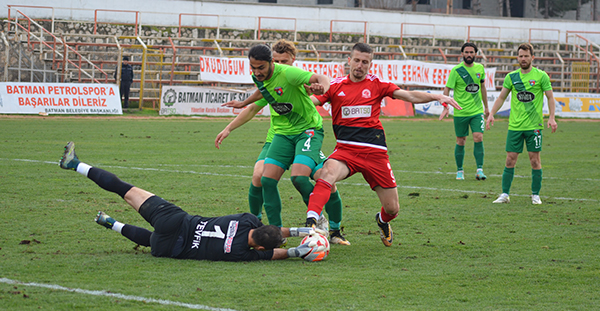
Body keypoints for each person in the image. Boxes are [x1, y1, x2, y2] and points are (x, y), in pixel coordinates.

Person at [304, 43, 461, 247]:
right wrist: (304, 93)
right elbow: (311, 103)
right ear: (349, 60)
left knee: (393, 208)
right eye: (357, 60)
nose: (360, 65)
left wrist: (437, 96)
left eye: (365, 62)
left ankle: (382, 221)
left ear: (370, 64)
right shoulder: (335, 86)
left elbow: (410, 96)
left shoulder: (378, 85)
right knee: (327, 173)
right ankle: (311, 222)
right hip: (346, 150)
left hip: (375, 153)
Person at [58, 141, 324, 261]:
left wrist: (303, 230)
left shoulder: (248, 220)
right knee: (151, 240)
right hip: (171, 248)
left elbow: (273, 235)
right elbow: (278, 253)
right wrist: (297, 252)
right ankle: (112, 224)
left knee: (124, 190)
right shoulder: (243, 254)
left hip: (176, 221)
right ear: (260, 249)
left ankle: (77, 164)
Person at [215, 40, 349, 245]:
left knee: (301, 178)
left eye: (261, 67)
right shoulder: (259, 77)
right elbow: (264, 90)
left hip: (307, 131)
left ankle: (323, 221)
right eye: (253, 67)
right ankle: (275, 234)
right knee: (265, 179)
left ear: (273, 63)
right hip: (283, 135)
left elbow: (320, 77)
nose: (257, 72)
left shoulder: (289, 73)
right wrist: (242, 105)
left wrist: (323, 87)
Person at [486, 43, 557, 205]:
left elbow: (550, 97)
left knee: (535, 161)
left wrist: (551, 117)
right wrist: (491, 114)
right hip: (515, 127)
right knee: (510, 160)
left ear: (533, 57)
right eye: (520, 56)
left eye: (526, 56)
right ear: (517, 58)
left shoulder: (541, 76)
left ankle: (535, 195)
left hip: (534, 126)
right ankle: (504, 194)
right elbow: (501, 98)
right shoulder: (512, 77)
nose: (523, 59)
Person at [440, 42, 490, 181]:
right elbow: (447, 89)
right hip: (460, 111)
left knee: (478, 137)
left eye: (471, 52)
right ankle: (460, 171)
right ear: (462, 54)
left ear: (475, 54)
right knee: (460, 140)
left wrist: (486, 107)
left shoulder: (480, 68)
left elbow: (483, 88)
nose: (469, 55)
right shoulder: (456, 71)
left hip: (476, 111)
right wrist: (445, 105)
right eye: (466, 52)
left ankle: (479, 170)